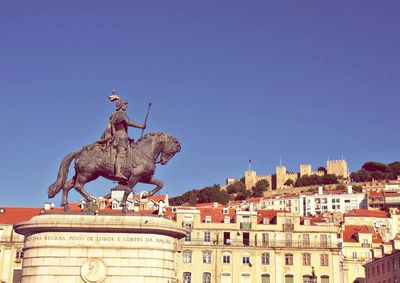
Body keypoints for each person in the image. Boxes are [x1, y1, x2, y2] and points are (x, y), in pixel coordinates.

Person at [106, 97, 146, 180]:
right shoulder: (121, 114)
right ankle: (118, 172)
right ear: (120, 105)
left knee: (126, 153)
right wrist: (141, 126)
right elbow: (128, 122)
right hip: (121, 136)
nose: (126, 106)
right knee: (121, 154)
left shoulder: (115, 115)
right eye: (124, 104)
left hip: (119, 135)